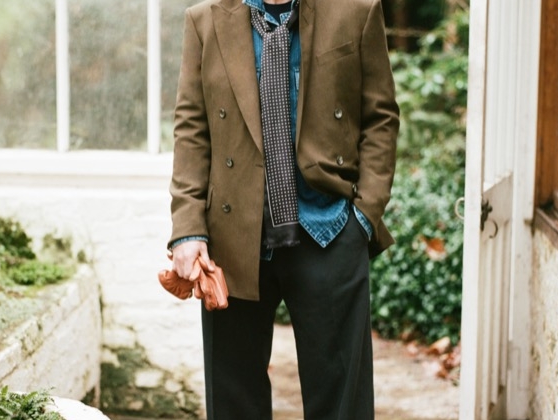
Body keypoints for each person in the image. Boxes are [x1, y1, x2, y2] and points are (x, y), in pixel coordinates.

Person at [168, 0, 399, 417]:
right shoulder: (204, 21)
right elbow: (192, 131)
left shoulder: (356, 11)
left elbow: (380, 117)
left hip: (329, 229)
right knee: (235, 402)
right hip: (233, 239)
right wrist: (188, 229)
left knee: (341, 405)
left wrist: (363, 217)